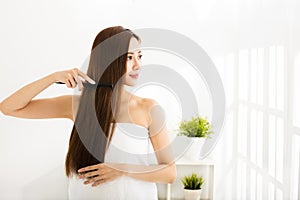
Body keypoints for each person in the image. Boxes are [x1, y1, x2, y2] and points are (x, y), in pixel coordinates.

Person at [0, 26, 176, 200]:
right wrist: (53, 78)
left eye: (140, 56)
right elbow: (9, 107)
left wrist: (121, 169)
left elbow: (169, 173)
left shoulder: (149, 108)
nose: (138, 64)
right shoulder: (77, 105)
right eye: (129, 57)